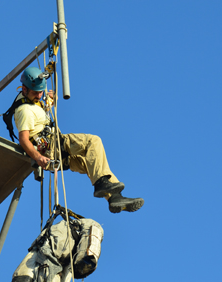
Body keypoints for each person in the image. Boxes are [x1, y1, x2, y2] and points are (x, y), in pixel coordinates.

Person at [13, 66, 144, 213]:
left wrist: (51, 100)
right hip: (53, 146)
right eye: (35, 93)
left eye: (40, 92)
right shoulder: (24, 110)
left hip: (55, 156)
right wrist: (37, 157)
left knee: (93, 163)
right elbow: (24, 139)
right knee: (93, 142)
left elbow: (40, 115)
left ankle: (115, 198)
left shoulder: (34, 104)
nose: (39, 96)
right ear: (24, 90)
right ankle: (102, 184)